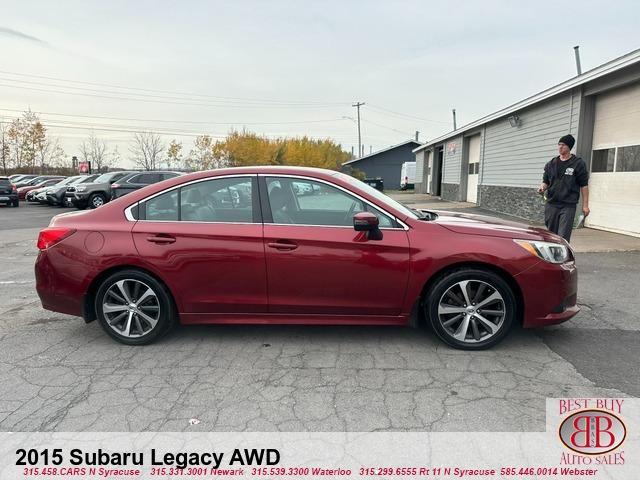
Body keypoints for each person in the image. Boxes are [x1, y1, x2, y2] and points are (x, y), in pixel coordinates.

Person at [538, 134, 589, 242]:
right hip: (551, 204)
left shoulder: (578, 164)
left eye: (563, 145)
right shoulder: (551, 163)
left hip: (567, 206)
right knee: (551, 235)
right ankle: (551, 257)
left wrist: (585, 206)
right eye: (559, 144)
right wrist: (542, 187)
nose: (560, 147)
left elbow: (584, 185)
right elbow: (546, 181)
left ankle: (562, 257)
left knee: (563, 236)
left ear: (569, 147)